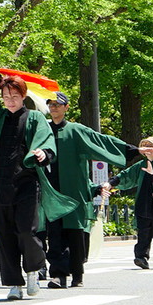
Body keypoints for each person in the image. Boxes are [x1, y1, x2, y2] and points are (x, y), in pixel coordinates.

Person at [0, 74, 65, 300]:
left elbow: (46, 142)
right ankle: (14, 284)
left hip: (26, 185)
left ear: (24, 96)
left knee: (26, 232)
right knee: (3, 236)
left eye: (14, 96)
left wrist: (43, 153)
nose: (10, 100)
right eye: (6, 96)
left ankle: (33, 271)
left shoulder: (35, 118)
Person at [42, 91, 130, 288]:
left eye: (58, 104)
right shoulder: (43, 131)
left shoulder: (76, 130)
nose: (54, 107)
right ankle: (58, 275)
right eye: (51, 104)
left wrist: (128, 150)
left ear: (66, 107)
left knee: (75, 236)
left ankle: (77, 275)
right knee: (55, 236)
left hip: (74, 192)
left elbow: (100, 141)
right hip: (52, 193)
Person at [111, 136, 153, 269]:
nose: (148, 149)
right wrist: (111, 182)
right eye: (145, 145)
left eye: (151, 146)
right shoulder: (140, 165)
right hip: (143, 202)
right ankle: (141, 257)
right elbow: (126, 175)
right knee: (143, 232)